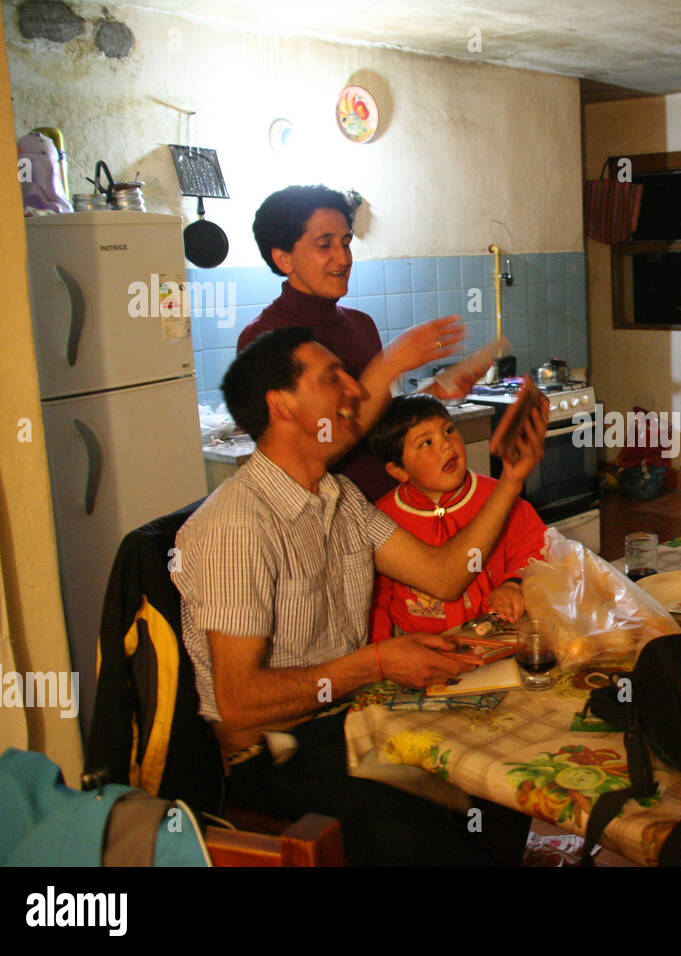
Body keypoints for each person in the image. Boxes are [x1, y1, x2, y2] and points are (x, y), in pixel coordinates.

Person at [172, 326, 548, 865]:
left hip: (351, 717)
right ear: (283, 406)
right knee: (415, 828)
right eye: (333, 378)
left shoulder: (338, 496)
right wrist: (375, 663)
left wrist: (511, 480)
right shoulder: (238, 525)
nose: (354, 390)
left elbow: (444, 576)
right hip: (275, 752)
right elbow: (237, 701)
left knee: (502, 766)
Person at [238, 184, 469, 501]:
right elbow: (315, 449)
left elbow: (376, 428)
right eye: (325, 244)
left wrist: (429, 394)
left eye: (346, 242)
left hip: (390, 507)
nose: (343, 258)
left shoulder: (360, 324)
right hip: (331, 523)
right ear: (284, 259)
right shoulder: (264, 339)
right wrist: (388, 366)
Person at [366, 394, 546, 640]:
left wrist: (512, 584)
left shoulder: (498, 497)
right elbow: (376, 598)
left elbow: (536, 547)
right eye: (426, 443)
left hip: (496, 635)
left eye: (449, 430)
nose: (446, 445)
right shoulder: (382, 519)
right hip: (422, 647)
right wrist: (382, 652)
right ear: (398, 470)